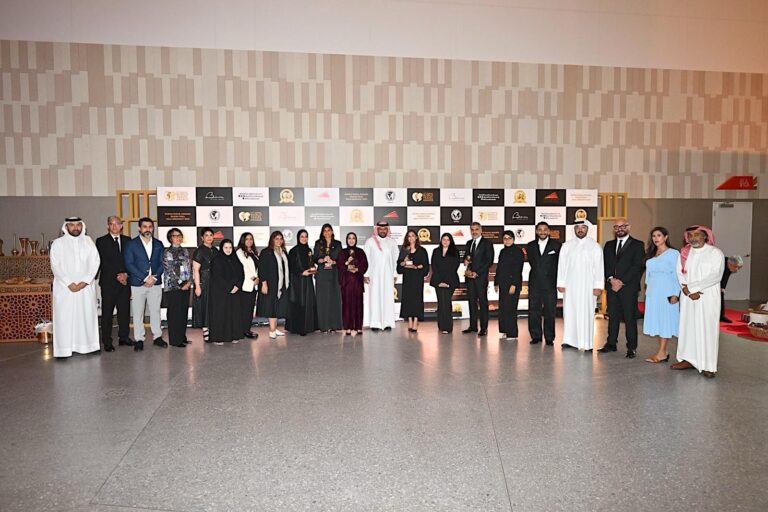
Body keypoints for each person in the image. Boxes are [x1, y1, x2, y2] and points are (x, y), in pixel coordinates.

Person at [672, 225, 725, 378]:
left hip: (707, 297)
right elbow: (679, 273)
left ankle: (709, 365)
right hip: (688, 296)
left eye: (696, 234)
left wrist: (693, 288)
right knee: (687, 327)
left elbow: (716, 275)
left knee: (707, 329)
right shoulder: (684, 253)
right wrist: (687, 291)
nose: (692, 238)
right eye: (690, 235)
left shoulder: (715, 253)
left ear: (705, 236)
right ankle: (688, 359)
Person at [49, 217, 101, 358]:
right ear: (66, 227)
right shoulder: (58, 243)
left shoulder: (88, 241)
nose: (75, 227)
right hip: (64, 288)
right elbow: (55, 265)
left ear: (82, 226)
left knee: (85, 316)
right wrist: (69, 283)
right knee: (64, 318)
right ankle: (64, 349)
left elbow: (95, 262)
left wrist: (84, 281)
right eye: (72, 225)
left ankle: (88, 346)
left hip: (85, 288)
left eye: (78, 225)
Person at [599, 218, 646, 358]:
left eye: (622, 226)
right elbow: (605, 265)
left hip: (628, 288)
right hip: (612, 287)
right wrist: (611, 279)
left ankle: (631, 347)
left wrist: (621, 282)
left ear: (628, 227)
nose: (619, 229)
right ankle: (611, 344)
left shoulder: (638, 245)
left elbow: (637, 266)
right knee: (612, 317)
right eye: (616, 227)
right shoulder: (608, 245)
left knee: (629, 318)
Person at [556, 220, 604, 351]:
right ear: (574, 229)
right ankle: (569, 340)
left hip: (588, 286)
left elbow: (599, 267)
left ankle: (586, 343)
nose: (580, 230)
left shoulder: (595, 246)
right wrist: (561, 283)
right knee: (570, 311)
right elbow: (562, 266)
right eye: (577, 227)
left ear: (588, 229)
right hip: (571, 286)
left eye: (583, 227)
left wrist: (598, 286)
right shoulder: (567, 246)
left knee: (586, 313)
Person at [124, 217, 166, 350]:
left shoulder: (158, 244)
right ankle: (139, 339)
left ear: (153, 228)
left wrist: (154, 278)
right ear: (139, 228)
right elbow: (129, 263)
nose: (148, 229)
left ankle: (157, 337)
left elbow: (163, 262)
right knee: (138, 312)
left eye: (150, 227)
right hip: (138, 284)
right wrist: (144, 278)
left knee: (155, 311)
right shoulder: (131, 244)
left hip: (155, 283)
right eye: (145, 226)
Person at [642, 227, 680, 363]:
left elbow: (677, 275)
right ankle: (663, 351)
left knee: (665, 320)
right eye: (653, 236)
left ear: (666, 237)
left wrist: (675, 293)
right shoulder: (652, 253)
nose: (656, 238)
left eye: (659, 235)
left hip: (666, 291)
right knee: (657, 320)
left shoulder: (673, 253)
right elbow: (648, 274)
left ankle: (662, 352)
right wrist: (648, 288)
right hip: (653, 292)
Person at [95, 215, 132, 351]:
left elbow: (131, 260)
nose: (114, 226)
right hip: (108, 283)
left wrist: (126, 274)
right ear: (108, 226)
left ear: (121, 226)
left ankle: (124, 337)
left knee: (124, 311)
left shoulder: (128, 240)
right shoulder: (101, 241)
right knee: (107, 313)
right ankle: (107, 341)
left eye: (117, 223)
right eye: (111, 224)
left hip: (125, 282)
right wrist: (118, 275)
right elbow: (102, 262)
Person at [525, 221, 561, 346]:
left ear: (549, 231)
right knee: (533, 310)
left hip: (550, 283)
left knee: (550, 311)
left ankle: (549, 337)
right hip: (534, 283)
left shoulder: (557, 246)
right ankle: (536, 336)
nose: (542, 232)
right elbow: (532, 263)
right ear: (536, 231)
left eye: (545, 229)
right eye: (540, 229)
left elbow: (559, 264)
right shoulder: (530, 246)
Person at [363, 220, 399, 331]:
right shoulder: (370, 242)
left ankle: (388, 322)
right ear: (377, 229)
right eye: (380, 229)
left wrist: (394, 273)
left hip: (388, 275)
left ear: (387, 230)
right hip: (374, 275)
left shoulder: (392, 242)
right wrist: (366, 274)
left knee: (387, 298)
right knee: (375, 298)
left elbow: (395, 260)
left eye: (385, 229)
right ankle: (375, 323)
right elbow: (366, 259)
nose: (382, 231)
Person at [208, 239, 244, 345]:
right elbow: (217, 277)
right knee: (221, 314)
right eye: (226, 247)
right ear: (221, 248)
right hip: (221, 293)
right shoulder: (217, 260)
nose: (228, 250)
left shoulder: (235, 259)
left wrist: (237, 286)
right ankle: (218, 337)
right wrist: (229, 287)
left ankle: (233, 335)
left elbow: (241, 274)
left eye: (230, 247)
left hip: (235, 292)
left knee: (234, 314)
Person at [463, 222, 494, 336]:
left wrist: (477, 273)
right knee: (471, 302)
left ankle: (484, 328)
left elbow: (489, 261)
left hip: (480, 278)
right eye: (472, 229)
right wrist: (466, 264)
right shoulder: (469, 243)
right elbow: (467, 258)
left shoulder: (487, 244)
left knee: (483, 302)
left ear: (481, 230)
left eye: (476, 229)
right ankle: (473, 326)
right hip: (470, 278)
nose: (474, 231)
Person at [162, 228, 192, 348]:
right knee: (175, 314)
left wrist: (189, 282)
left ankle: (182, 337)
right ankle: (175, 340)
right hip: (173, 287)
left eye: (179, 235)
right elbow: (170, 270)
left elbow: (188, 267)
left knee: (183, 312)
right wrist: (181, 284)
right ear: (170, 238)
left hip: (186, 286)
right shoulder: (167, 252)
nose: (178, 238)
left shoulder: (185, 250)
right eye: (175, 236)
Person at [257, 231, 290, 339]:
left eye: (281, 238)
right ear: (272, 240)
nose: (279, 241)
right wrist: (264, 283)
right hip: (270, 285)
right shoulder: (266, 252)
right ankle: (272, 331)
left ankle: (275, 328)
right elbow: (262, 269)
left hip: (281, 284)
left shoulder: (283, 252)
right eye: (276, 238)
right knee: (271, 307)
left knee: (277, 307)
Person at [397, 229, 429, 332]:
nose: (411, 238)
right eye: (409, 236)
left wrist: (417, 267)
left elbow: (426, 267)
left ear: (416, 237)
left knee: (417, 300)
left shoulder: (422, 251)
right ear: (407, 238)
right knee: (408, 300)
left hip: (417, 279)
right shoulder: (404, 250)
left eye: (413, 236)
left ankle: (416, 321)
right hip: (407, 278)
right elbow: (399, 268)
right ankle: (409, 320)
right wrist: (403, 262)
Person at [495, 230, 524, 341]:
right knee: (503, 308)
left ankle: (512, 333)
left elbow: (518, 270)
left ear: (513, 239)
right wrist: (496, 282)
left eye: (509, 238)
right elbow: (499, 268)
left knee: (511, 308)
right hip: (503, 284)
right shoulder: (502, 251)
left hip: (513, 284)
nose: (507, 240)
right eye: (505, 238)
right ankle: (505, 330)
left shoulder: (518, 252)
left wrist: (514, 284)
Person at [286, 229, 317, 336]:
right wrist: (301, 273)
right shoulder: (294, 251)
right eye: (302, 236)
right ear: (298, 238)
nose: (304, 238)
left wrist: (313, 270)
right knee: (300, 302)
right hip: (297, 281)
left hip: (307, 280)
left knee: (308, 302)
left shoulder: (309, 250)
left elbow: (311, 263)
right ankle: (299, 328)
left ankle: (308, 327)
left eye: (306, 236)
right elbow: (291, 266)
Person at [337, 232, 368, 336]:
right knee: (347, 305)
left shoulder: (360, 252)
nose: (351, 240)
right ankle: (348, 327)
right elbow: (339, 265)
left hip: (357, 282)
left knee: (358, 304)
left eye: (353, 238)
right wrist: (347, 264)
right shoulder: (342, 252)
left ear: (356, 240)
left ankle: (358, 327)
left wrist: (357, 269)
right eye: (349, 238)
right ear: (346, 240)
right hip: (346, 283)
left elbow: (365, 264)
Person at [313, 224, 343, 332]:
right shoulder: (318, 243)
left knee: (334, 298)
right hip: (322, 273)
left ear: (332, 231)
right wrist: (321, 260)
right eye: (324, 230)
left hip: (334, 273)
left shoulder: (338, 244)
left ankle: (334, 325)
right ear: (322, 232)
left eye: (328, 230)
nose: (327, 232)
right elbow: (315, 258)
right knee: (322, 299)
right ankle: (323, 326)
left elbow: (341, 258)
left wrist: (334, 261)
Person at [430, 233, 460, 334]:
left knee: (446, 302)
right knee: (441, 302)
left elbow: (454, 267)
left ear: (450, 241)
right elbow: (434, 266)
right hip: (438, 281)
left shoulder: (455, 252)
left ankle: (447, 326)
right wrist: (440, 281)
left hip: (450, 281)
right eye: (444, 239)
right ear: (441, 240)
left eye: (448, 239)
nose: (445, 241)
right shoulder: (436, 251)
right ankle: (441, 325)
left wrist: (446, 282)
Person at [192, 227, 216, 342]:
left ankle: (213, 329)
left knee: (213, 305)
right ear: (202, 238)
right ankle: (205, 330)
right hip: (204, 280)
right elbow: (195, 270)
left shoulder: (215, 250)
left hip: (214, 281)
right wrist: (197, 286)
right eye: (206, 235)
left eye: (211, 235)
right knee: (204, 306)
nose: (209, 237)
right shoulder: (199, 251)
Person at [236, 232, 259, 339]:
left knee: (250, 309)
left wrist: (257, 278)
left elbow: (257, 267)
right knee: (244, 309)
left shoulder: (253, 252)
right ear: (243, 240)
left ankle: (247, 329)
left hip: (254, 286)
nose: (249, 241)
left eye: (251, 239)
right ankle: (243, 331)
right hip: (245, 284)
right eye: (247, 239)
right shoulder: (239, 252)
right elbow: (244, 267)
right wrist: (254, 278)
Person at [719, 255, 745, 323]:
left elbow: (726, 276)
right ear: (730, 264)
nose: (737, 270)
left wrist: (723, 287)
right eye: (736, 267)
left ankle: (721, 316)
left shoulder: (730, 266)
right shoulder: (719, 263)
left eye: (738, 267)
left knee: (721, 294)